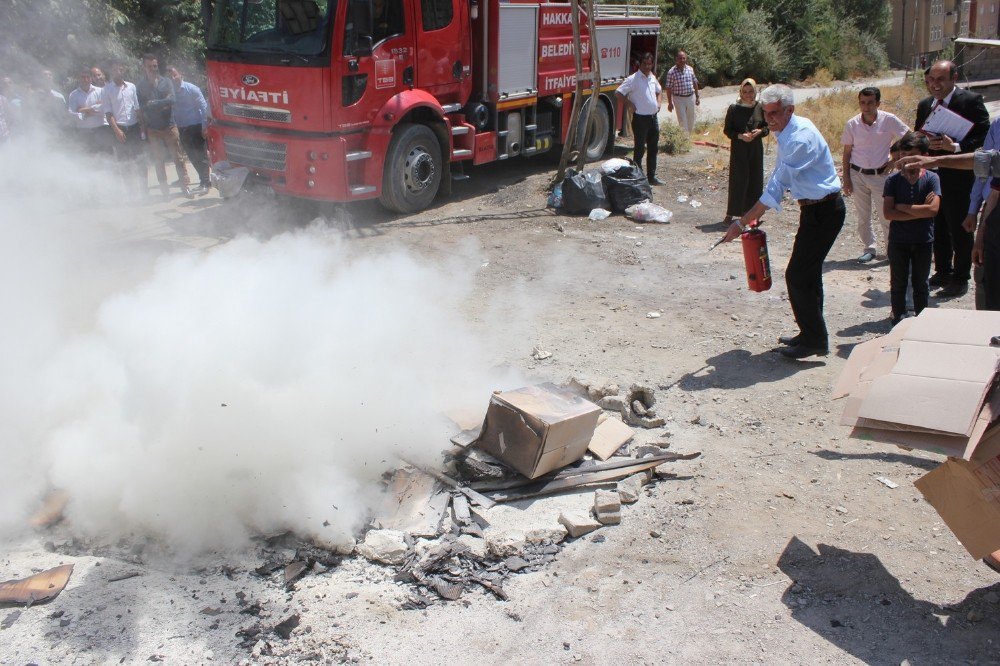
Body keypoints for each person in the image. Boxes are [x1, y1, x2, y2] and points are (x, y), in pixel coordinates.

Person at [721, 84, 844, 359]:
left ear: (790, 110)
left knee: (798, 275)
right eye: (766, 114)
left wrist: (742, 223)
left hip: (825, 211)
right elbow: (777, 176)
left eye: (775, 113)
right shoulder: (786, 131)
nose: (769, 120)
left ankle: (814, 339)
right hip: (813, 210)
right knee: (807, 275)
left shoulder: (800, 137)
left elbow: (778, 187)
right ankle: (812, 334)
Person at [914, 60, 990, 297]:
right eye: (931, 80)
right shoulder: (926, 104)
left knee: (959, 227)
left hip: (960, 176)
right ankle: (943, 271)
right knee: (937, 225)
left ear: (953, 78)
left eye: (940, 80)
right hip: (932, 175)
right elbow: (919, 133)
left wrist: (955, 146)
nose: (935, 85)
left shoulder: (970, 101)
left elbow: (984, 138)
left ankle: (960, 278)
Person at [841, 87, 909, 263]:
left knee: (886, 215)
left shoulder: (889, 120)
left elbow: (910, 137)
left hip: (881, 175)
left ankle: (890, 251)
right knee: (863, 216)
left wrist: (895, 160)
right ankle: (869, 248)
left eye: (870, 102)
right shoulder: (852, 124)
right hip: (858, 174)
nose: (866, 106)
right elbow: (847, 152)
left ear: (878, 103)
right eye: (862, 102)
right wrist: (846, 178)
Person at [882, 132, 940, 325]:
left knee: (921, 284)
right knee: (898, 283)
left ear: (924, 156)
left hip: (923, 240)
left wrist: (903, 207)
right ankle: (898, 319)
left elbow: (932, 210)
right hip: (899, 241)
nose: (908, 162)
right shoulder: (893, 181)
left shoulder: (932, 178)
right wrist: (919, 210)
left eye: (913, 156)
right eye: (904, 156)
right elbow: (889, 213)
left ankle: (921, 322)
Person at [137, 54, 192, 198]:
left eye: (155, 66)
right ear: (144, 67)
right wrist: (162, 102)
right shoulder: (141, 86)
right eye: (149, 66)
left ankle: (185, 186)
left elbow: (172, 99)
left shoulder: (166, 82)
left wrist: (154, 103)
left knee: (178, 158)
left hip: (169, 126)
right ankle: (164, 190)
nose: (153, 69)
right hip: (153, 129)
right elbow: (143, 107)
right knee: (158, 161)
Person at [722, 78, 768, 226]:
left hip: (755, 149)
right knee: (738, 179)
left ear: (755, 92)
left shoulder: (760, 107)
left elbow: (767, 127)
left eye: (751, 91)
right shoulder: (734, 108)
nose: (748, 95)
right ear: (741, 92)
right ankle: (731, 213)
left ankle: (753, 215)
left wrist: (759, 132)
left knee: (755, 179)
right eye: (745, 91)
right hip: (739, 149)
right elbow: (727, 130)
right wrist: (741, 136)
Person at [615, 52, 664, 185]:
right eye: (645, 64)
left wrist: (659, 103)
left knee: (653, 148)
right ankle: (638, 177)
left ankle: (651, 177)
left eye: (649, 64)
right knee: (639, 148)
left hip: (653, 118)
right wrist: (629, 104)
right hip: (640, 119)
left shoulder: (652, 77)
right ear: (640, 64)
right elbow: (618, 93)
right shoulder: (633, 79)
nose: (647, 67)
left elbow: (659, 91)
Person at [101, 59, 146, 199]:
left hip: (133, 127)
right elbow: (108, 114)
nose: (117, 72)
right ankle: (131, 193)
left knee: (140, 160)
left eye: (120, 69)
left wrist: (142, 127)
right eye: (114, 70)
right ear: (111, 72)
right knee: (125, 162)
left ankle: (144, 190)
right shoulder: (106, 90)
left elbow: (137, 108)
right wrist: (117, 130)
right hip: (119, 128)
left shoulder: (131, 87)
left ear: (123, 70)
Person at [167, 65, 211, 194]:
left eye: (175, 75)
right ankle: (203, 180)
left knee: (201, 155)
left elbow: (204, 108)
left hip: (196, 126)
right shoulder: (171, 94)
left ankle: (206, 183)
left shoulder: (191, 89)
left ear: (180, 75)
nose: (173, 78)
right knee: (191, 156)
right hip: (182, 128)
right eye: (170, 77)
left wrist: (205, 127)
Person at [68, 68, 108, 151]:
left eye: (88, 77)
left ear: (91, 79)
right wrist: (87, 113)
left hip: (100, 129)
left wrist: (81, 110)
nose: (85, 80)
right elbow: (71, 113)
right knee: (86, 158)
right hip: (83, 131)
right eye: (83, 77)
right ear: (78, 79)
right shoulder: (73, 95)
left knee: (105, 156)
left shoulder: (100, 91)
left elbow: (103, 108)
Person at [664, 50, 699, 133]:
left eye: (684, 58)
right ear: (676, 59)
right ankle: (684, 141)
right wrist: (670, 103)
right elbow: (668, 88)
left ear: (686, 59)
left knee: (691, 119)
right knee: (682, 120)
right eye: (680, 58)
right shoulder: (671, 72)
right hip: (678, 99)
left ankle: (688, 138)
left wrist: (697, 97)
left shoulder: (690, 69)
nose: (682, 60)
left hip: (690, 97)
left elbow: (695, 82)